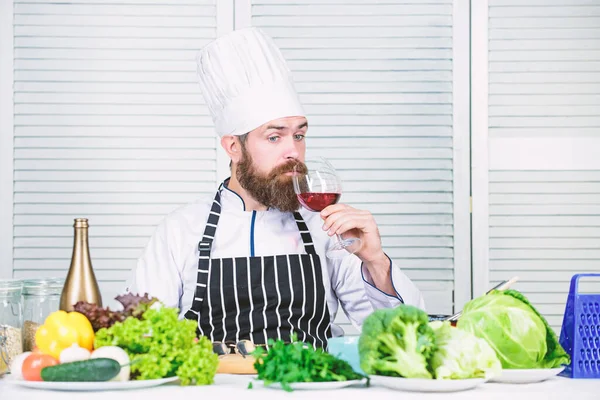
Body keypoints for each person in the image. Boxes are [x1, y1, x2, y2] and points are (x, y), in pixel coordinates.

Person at [127, 27, 425, 349]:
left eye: (299, 135)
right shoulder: (181, 230)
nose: (293, 152)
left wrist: (376, 261)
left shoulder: (326, 228)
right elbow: (141, 337)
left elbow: (403, 339)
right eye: (274, 137)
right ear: (233, 147)